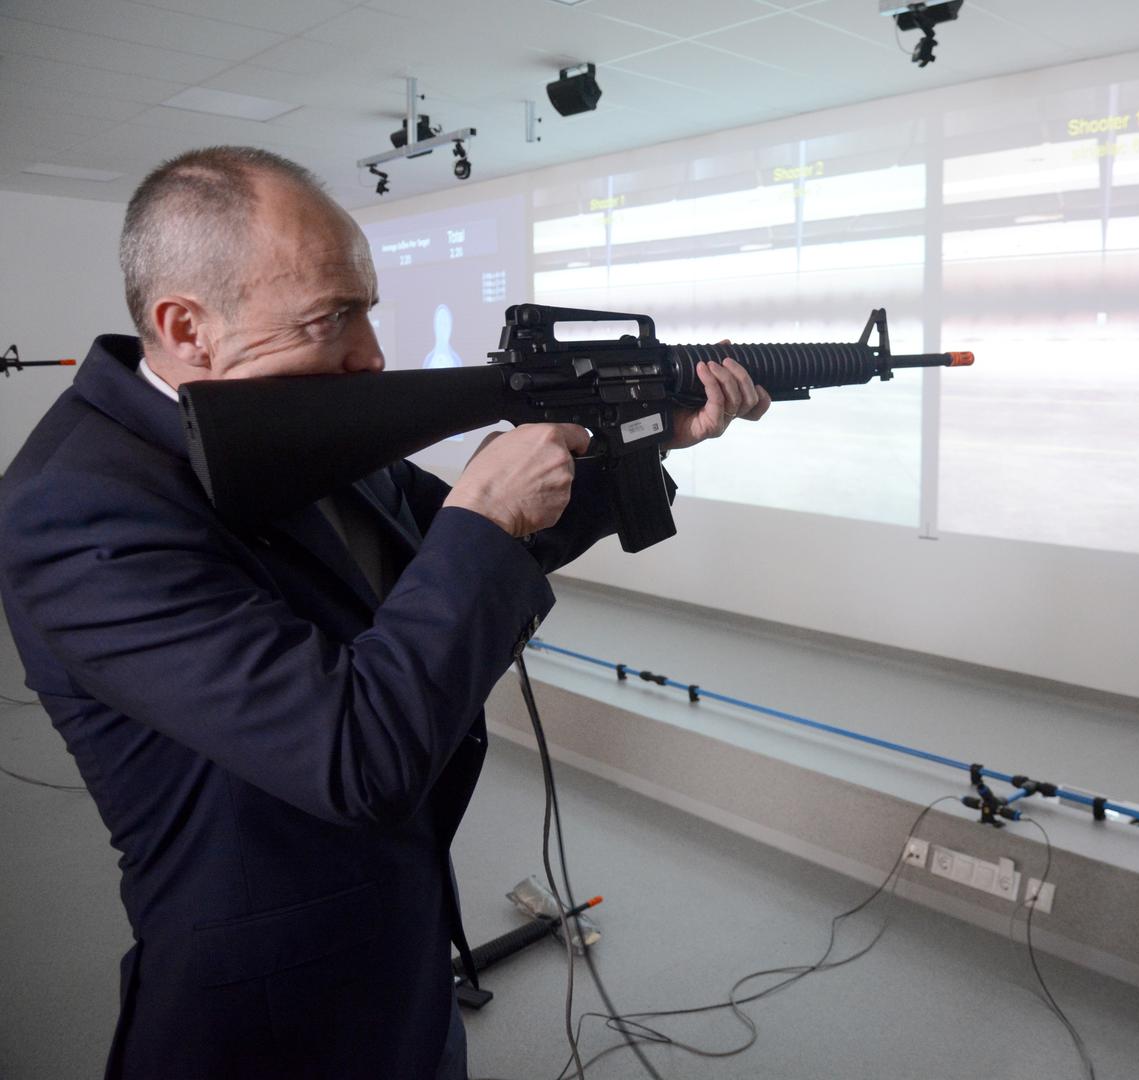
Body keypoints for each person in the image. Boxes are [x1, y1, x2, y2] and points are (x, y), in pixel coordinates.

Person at [0, 146, 769, 1080]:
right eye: (333, 317)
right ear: (186, 326)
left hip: (400, 952)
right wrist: (484, 515)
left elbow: (472, 551)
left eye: (366, 308)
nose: (371, 354)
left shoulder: (290, 422)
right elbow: (354, 754)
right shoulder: (76, 505)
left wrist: (645, 435)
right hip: (265, 1012)